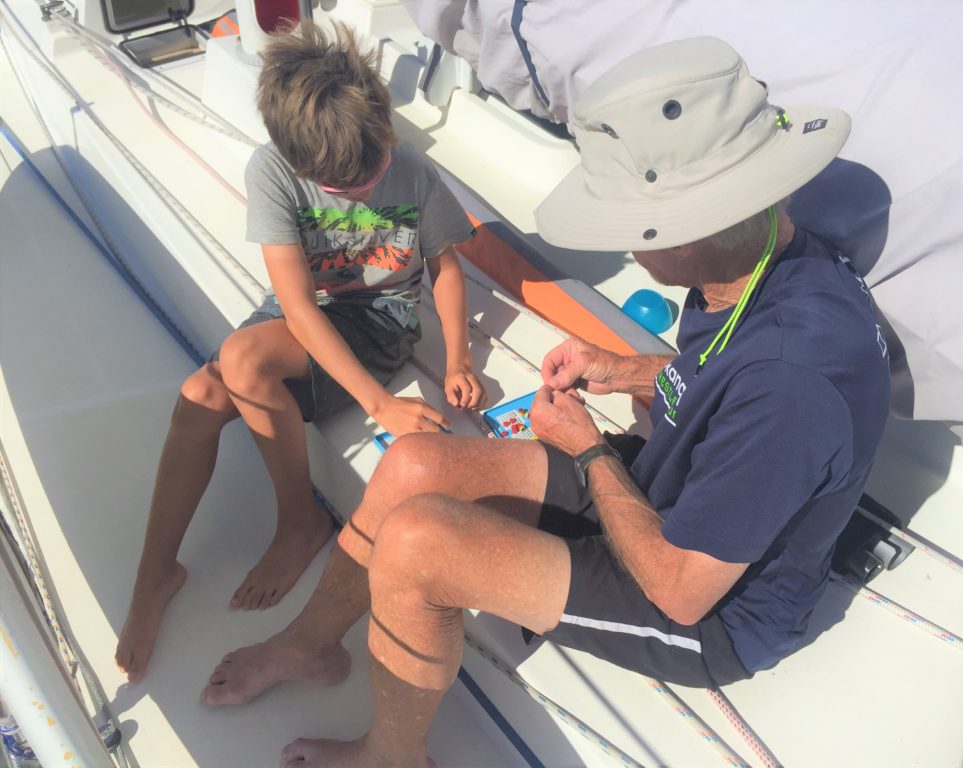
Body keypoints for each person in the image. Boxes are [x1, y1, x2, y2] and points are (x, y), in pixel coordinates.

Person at [203, 37, 891, 766]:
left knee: (416, 547)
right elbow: (719, 377)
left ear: (693, 226)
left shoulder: (794, 385)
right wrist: (623, 368)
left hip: (709, 610)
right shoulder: (769, 259)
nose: (627, 245)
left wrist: (588, 449)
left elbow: (679, 590)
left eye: (629, 225)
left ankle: (391, 757)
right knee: (410, 465)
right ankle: (309, 645)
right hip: (663, 490)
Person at [115, 21, 485, 682]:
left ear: (387, 133)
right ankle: (156, 571)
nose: (367, 189)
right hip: (305, 314)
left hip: (380, 319)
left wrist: (456, 358)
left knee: (242, 361)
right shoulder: (274, 172)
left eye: (373, 173)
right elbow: (296, 308)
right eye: (345, 189)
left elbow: (446, 269)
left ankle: (299, 522)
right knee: (200, 393)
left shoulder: (415, 174)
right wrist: (380, 408)